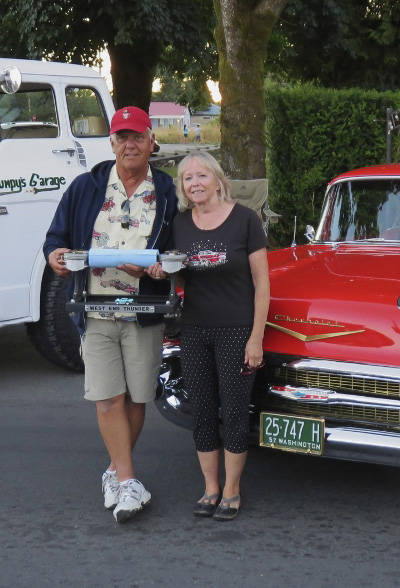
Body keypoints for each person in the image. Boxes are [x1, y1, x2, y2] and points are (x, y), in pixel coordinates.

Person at [44, 106, 178, 523]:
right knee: (108, 398)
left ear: (151, 141)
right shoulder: (86, 187)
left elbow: (178, 247)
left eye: (136, 136)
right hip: (95, 307)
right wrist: (57, 256)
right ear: (112, 143)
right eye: (121, 137)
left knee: (138, 397)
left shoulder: (169, 192)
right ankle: (129, 482)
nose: (129, 144)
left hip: (143, 309)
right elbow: (55, 238)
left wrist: (158, 265)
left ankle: (113, 473)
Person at [148, 152, 269, 521]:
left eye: (201, 175)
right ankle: (210, 488)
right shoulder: (179, 225)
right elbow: (183, 275)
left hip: (237, 329)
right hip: (195, 329)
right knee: (202, 411)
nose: (195, 183)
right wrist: (163, 273)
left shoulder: (245, 221)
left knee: (233, 412)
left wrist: (256, 337)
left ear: (218, 179)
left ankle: (232, 490)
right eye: (187, 178)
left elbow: (262, 283)